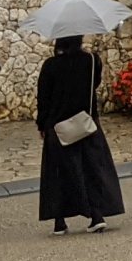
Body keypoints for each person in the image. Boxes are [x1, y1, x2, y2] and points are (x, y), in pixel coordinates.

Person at [36, 33, 124, 233]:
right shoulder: (92, 61)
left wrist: (42, 125)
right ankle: (96, 215)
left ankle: (59, 221)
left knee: (58, 174)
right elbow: (93, 85)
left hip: (58, 127)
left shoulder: (50, 65)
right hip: (87, 123)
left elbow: (43, 98)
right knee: (92, 170)